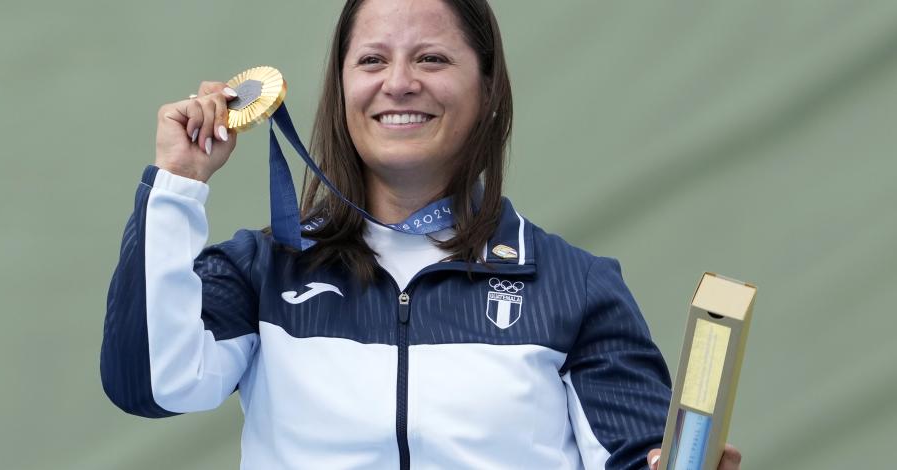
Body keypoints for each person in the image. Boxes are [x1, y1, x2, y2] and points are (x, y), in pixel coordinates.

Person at [101, 0, 742, 469]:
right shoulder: (265, 269)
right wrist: (178, 184)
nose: (399, 82)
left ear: (488, 88)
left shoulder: (575, 288)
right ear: (343, 88)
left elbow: (636, 459)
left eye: (431, 58)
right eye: (373, 60)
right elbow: (151, 385)